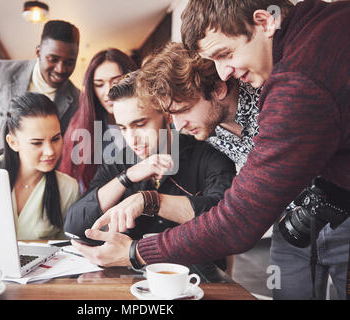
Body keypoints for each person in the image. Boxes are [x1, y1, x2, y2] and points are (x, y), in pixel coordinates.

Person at [70, 0, 350, 300]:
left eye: (225, 54)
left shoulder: (287, 87)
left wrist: (136, 252)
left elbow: (237, 220)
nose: (225, 71)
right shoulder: (207, 130)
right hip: (292, 225)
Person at [65, 71, 236, 272]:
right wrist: (126, 177)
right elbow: (74, 225)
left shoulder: (209, 155)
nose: (132, 139)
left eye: (140, 124)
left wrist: (149, 200)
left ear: (166, 114)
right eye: (123, 128)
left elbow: (226, 218)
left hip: (196, 278)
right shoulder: (121, 160)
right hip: (133, 279)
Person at [0, 92, 79, 240]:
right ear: (13, 142)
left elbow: (63, 252)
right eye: (37, 143)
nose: (50, 151)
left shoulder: (68, 189)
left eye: (55, 139)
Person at [137, 41, 261, 172]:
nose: (179, 127)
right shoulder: (211, 135)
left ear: (218, 89)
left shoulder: (268, 97)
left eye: (184, 110)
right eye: (171, 114)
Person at [0, 20, 80, 156]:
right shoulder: (0, 72)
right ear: (38, 52)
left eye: (69, 62)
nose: (60, 69)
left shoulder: (78, 100)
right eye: (53, 59)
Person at [59, 49, 137, 191]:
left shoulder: (150, 122)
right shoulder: (80, 128)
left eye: (116, 81)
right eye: (99, 84)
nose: (108, 92)